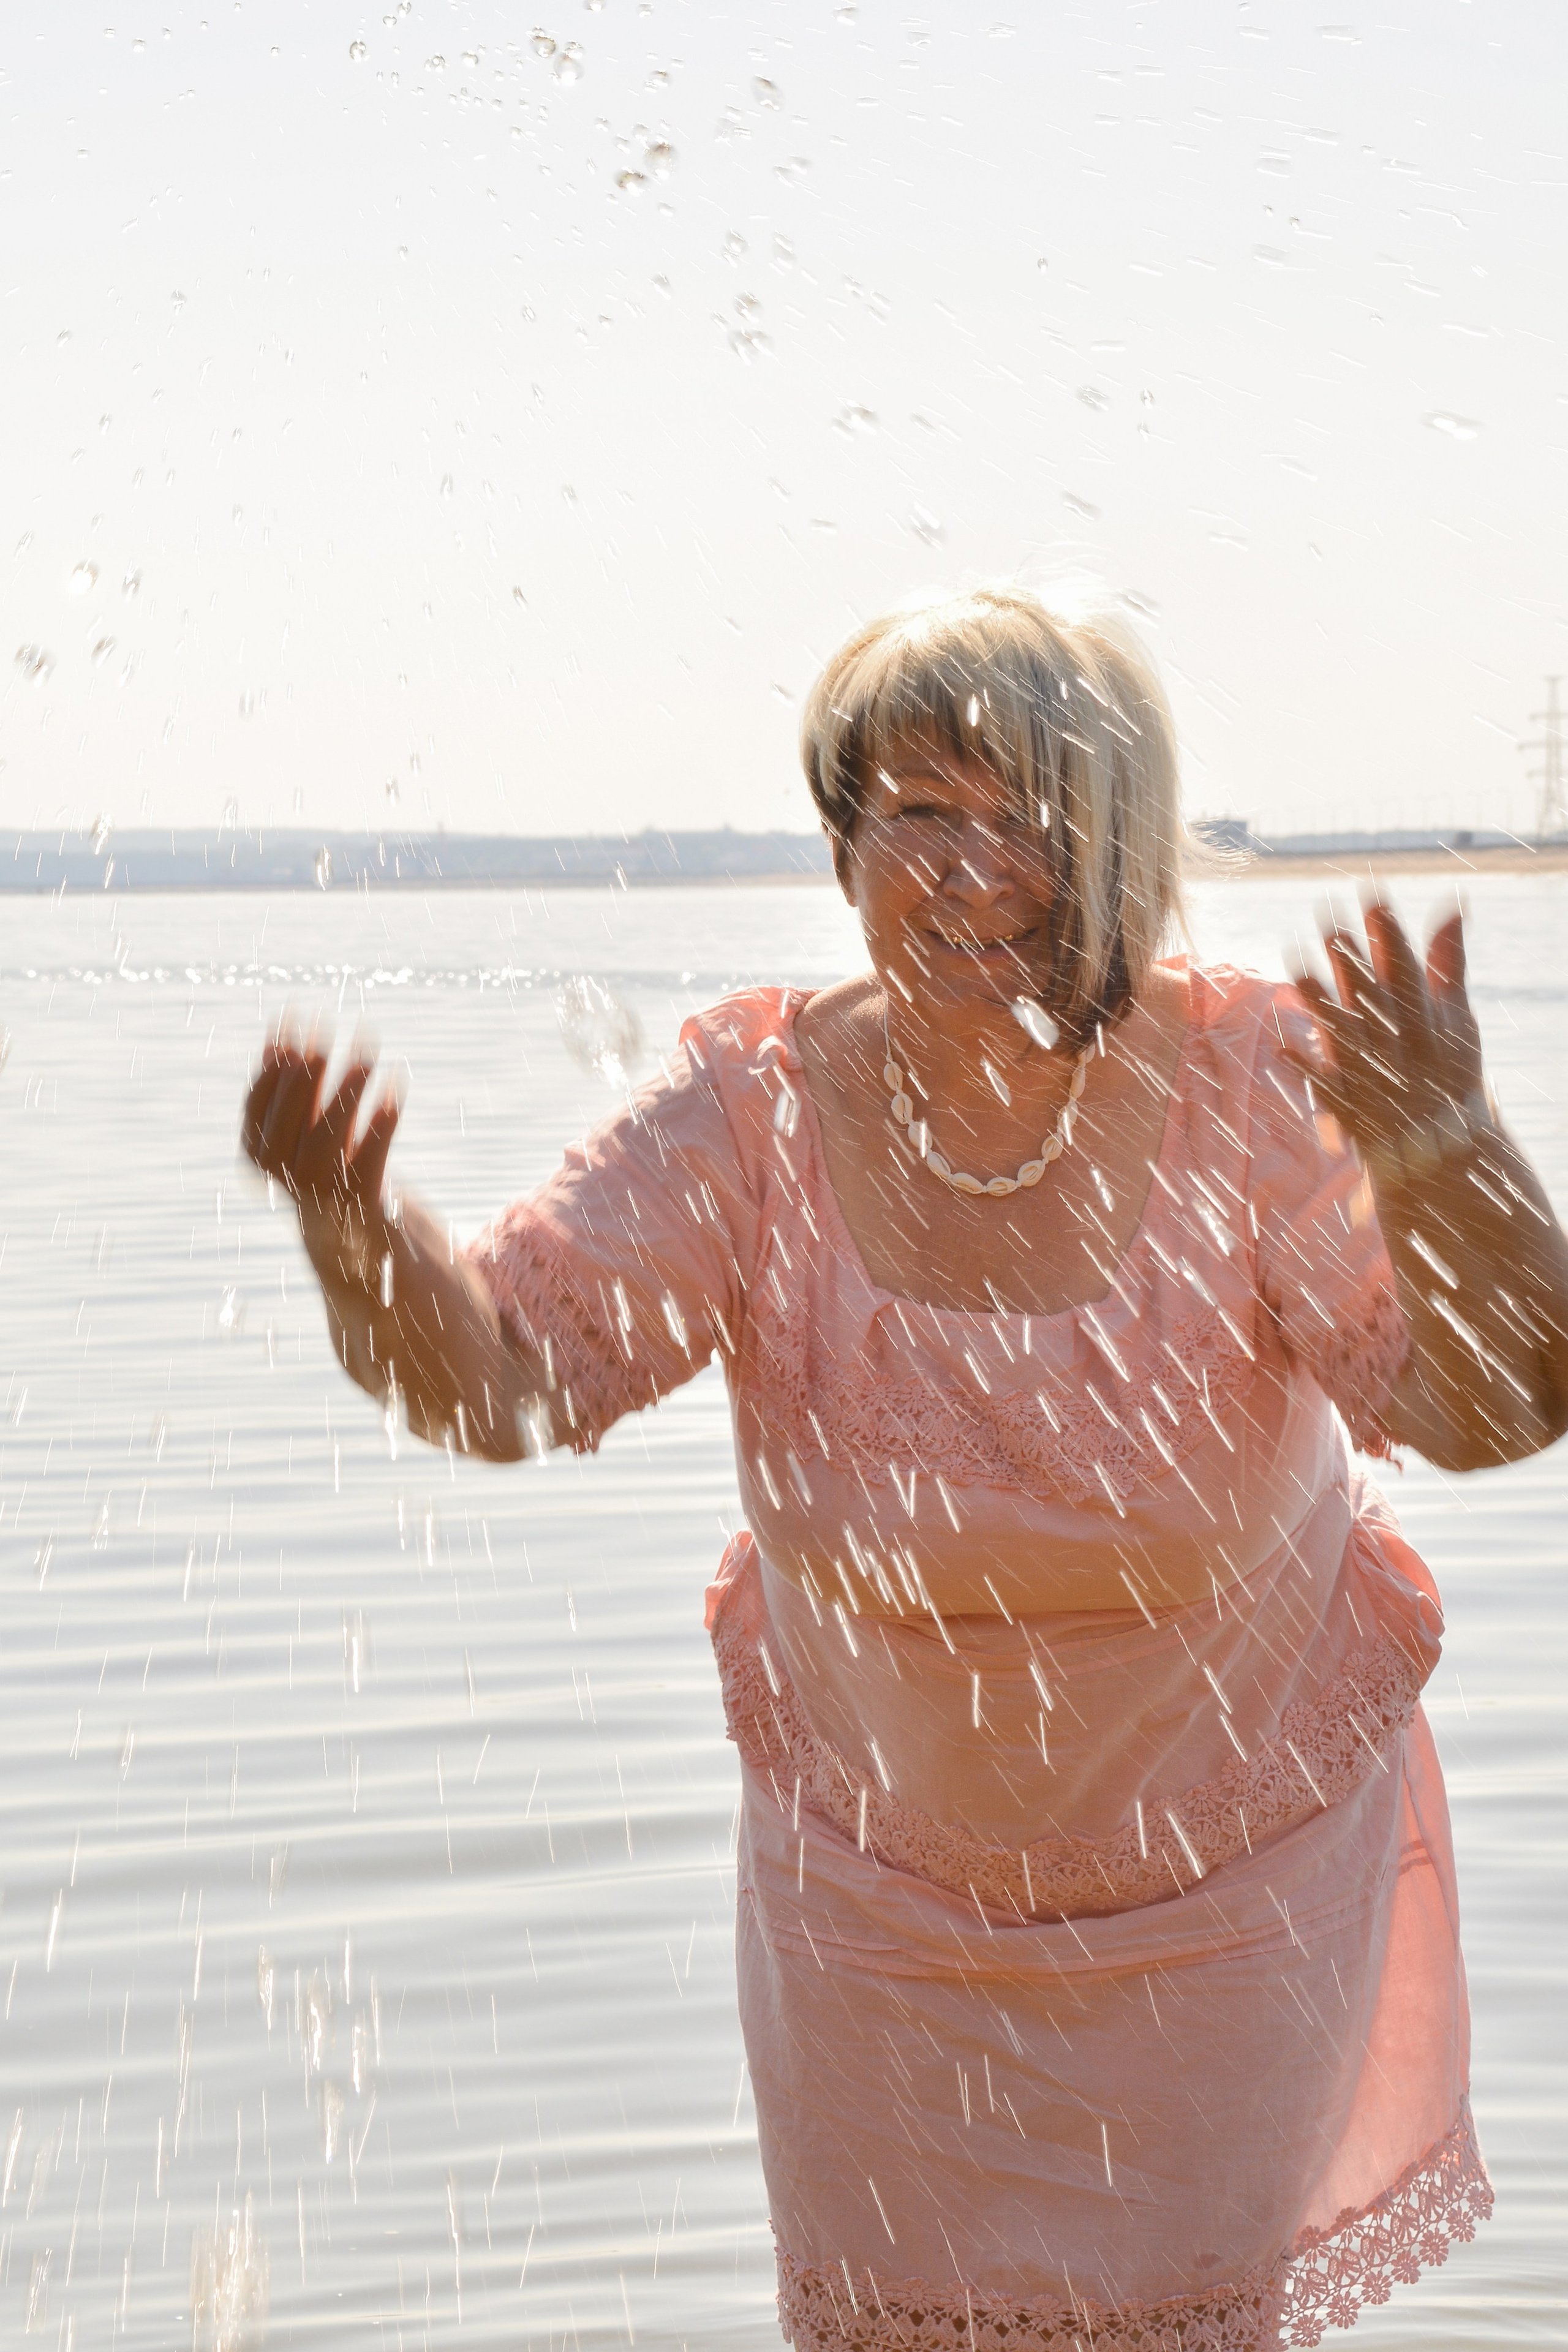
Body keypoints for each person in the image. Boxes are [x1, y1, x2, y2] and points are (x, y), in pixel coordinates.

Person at [241, 587, 1568, 2351]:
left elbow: (1497, 1407)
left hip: (1230, 1897)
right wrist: (350, 1230)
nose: (968, 866)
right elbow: (506, 1379)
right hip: (876, 1910)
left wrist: (1452, 1153)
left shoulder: (1251, 1088)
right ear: (843, 844)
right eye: (918, 812)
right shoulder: (758, 1111)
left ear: (1121, 850)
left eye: (1030, 818)